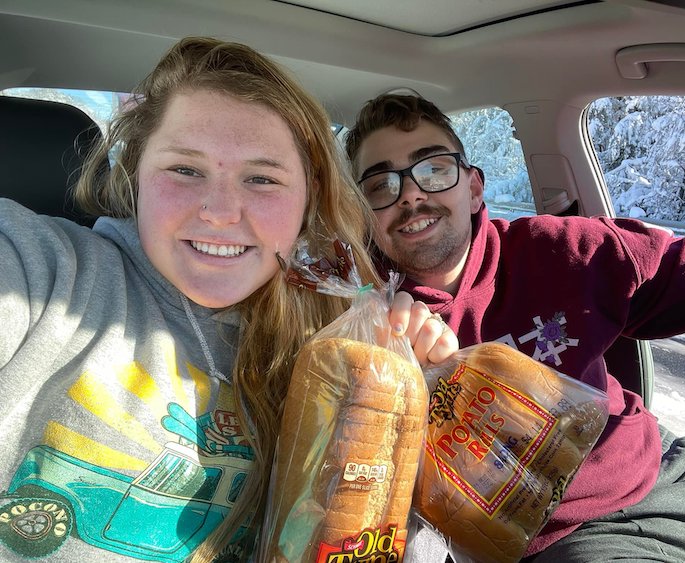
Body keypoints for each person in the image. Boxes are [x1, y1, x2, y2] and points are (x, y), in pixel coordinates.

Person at [0, 40, 457, 563]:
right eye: (185, 170)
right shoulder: (42, 273)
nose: (220, 211)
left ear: (308, 201)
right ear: (135, 176)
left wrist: (409, 406)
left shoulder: (333, 349)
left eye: (262, 178)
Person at [345, 93, 685, 562]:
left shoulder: (565, 252)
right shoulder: (363, 320)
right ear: (361, 212)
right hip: (561, 540)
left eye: (434, 170)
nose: (412, 194)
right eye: (380, 186)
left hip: (676, 467)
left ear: (474, 188)